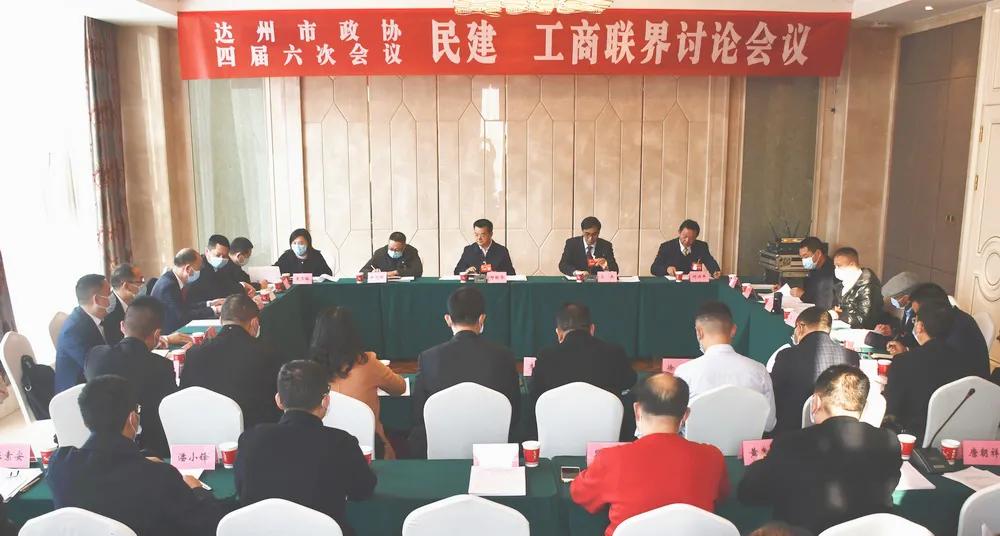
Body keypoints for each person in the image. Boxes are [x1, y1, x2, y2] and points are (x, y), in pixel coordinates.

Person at [47, 375, 223, 536]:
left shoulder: (59, 465)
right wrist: (198, 490)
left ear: (86, 421)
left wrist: (140, 460)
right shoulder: (160, 476)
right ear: (133, 418)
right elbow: (207, 525)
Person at [739, 365, 902, 534]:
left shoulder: (791, 443)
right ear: (863, 406)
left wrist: (763, 464)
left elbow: (748, 493)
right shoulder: (889, 441)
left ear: (815, 402)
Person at [570, 374, 728, 536]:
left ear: (637, 410)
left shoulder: (611, 459)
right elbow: (722, 496)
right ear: (686, 415)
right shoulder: (713, 457)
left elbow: (580, 494)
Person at [235, 360, 376, 536]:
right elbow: (363, 490)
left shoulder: (250, 439)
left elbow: (242, 490)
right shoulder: (341, 442)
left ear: (279, 400)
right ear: (325, 401)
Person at [409, 287, 520, 458]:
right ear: (482, 319)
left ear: (448, 319)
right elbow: (515, 412)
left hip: (440, 454)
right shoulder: (504, 356)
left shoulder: (428, 358)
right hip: (494, 454)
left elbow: (419, 415)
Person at [84, 297, 177, 457]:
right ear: (157, 334)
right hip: (151, 450)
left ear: (122, 326)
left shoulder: (95, 356)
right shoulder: (162, 366)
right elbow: (170, 411)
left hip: (100, 449)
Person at [310, 307, 406, 459]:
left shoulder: (309, 372)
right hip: (371, 452)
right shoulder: (368, 363)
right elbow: (400, 387)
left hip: (326, 454)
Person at [180, 293, 283, 430]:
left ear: (221, 320)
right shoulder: (268, 352)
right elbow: (278, 400)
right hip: (254, 431)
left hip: (207, 429)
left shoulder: (194, 353)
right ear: (254, 322)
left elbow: (185, 397)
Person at [674, 301, 776, 432]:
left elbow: (676, 423)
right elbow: (769, 424)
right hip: (745, 444)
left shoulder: (684, 372)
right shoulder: (759, 371)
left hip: (695, 444)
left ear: (699, 332)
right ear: (733, 330)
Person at [883, 302, 969, 438]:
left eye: (915, 321)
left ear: (920, 327)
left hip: (910, 435)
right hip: (951, 433)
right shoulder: (962, 360)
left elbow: (890, 409)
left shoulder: (903, 361)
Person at [770, 307, 860, 435]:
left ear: (800, 327)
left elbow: (774, 394)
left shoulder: (787, 355)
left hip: (791, 432)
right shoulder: (851, 356)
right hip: (836, 432)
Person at [530, 303, 636, 400]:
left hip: (559, 415)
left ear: (559, 333)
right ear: (592, 329)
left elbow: (535, 391)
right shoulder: (615, 352)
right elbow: (629, 382)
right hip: (602, 414)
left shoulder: (545, 356)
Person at [885, 282, 989, 378]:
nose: (916, 320)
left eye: (918, 314)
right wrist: (906, 351)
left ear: (932, 310)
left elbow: (934, 365)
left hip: (967, 388)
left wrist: (907, 356)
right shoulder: (953, 317)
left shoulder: (956, 329)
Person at [104, 264, 191, 349]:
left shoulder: (136, 303)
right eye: (140, 281)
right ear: (126, 286)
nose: (143, 285)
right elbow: (124, 346)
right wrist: (166, 339)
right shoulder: (110, 310)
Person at [55, 274, 112, 393]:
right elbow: (97, 368)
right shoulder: (72, 332)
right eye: (109, 294)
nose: (113, 298)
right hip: (77, 394)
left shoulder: (102, 318)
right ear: (97, 300)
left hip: (98, 382)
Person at [150, 248, 222, 333]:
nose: (200, 272)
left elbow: (185, 307)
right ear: (188, 268)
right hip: (167, 334)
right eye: (199, 269)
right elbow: (183, 316)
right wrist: (215, 310)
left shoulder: (172, 279)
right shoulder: (168, 286)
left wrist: (211, 303)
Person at [830, 247, 882, 329]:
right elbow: (836, 306)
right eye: (835, 266)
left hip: (863, 331)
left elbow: (864, 319)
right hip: (843, 326)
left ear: (852, 264)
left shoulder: (868, 286)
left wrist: (839, 315)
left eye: (839, 266)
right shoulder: (842, 284)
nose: (836, 269)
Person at [650, 219, 721, 278]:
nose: (687, 240)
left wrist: (715, 271)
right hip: (672, 285)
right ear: (679, 232)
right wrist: (667, 269)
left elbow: (710, 261)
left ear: (696, 237)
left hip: (693, 285)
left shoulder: (701, 246)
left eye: (691, 238)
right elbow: (654, 268)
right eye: (685, 236)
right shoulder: (667, 247)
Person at [188, 235, 248, 303]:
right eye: (218, 255)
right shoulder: (198, 269)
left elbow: (228, 286)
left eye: (225, 256)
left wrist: (243, 286)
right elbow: (216, 290)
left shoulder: (224, 266)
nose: (221, 259)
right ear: (207, 251)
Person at [871, 271, 920, 351]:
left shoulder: (920, 314)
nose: (892, 301)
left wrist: (905, 349)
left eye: (895, 298)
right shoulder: (907, 309)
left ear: (907, 297)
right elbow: (904, 332)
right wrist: (891, 331)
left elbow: (914, 341)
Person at [789, 237, 836, 310]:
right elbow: (810, 290)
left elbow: (824, 301)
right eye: (802, 257)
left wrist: (803, 295)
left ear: (818, 253)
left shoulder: (829, 272)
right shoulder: (814, 267)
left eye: (806, 256)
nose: (803, 260)